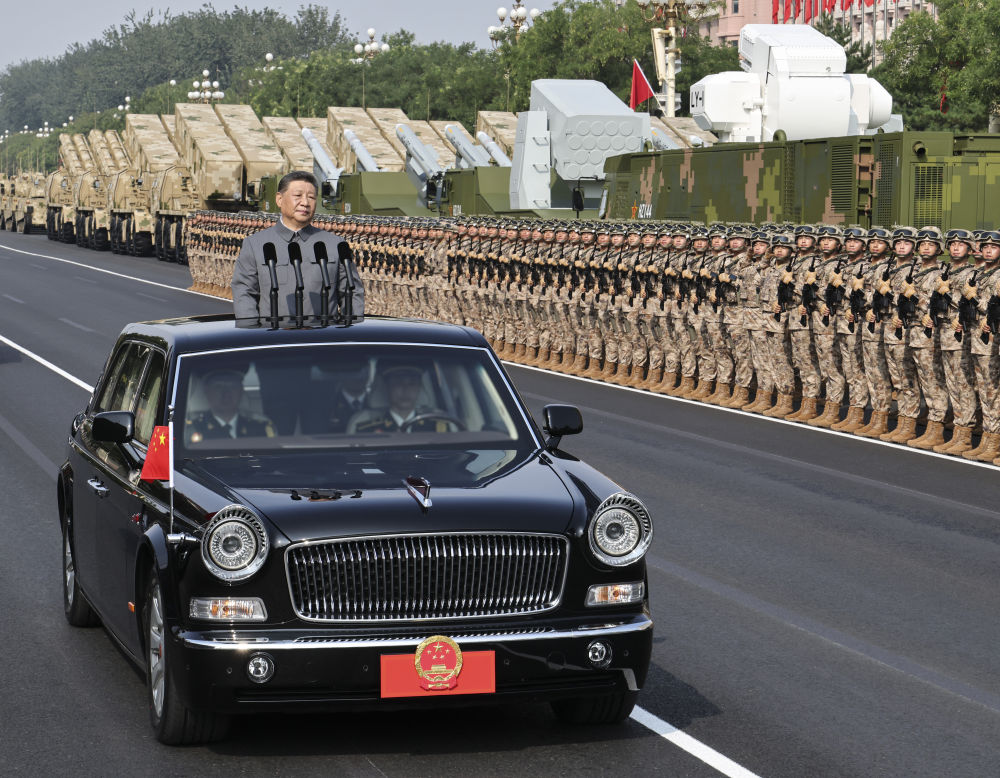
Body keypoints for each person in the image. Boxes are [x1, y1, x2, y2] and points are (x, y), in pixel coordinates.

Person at [231, 170, 365, 327]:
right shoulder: (256, 245)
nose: (305, 203)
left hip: (323, 338)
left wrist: (349, 332)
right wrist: (252, 334)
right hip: (273, 338)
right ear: (279, 199)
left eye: (311, 197)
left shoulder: (335, 245)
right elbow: (245, 293)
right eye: (298, 196)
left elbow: (352, 293)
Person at [349, 360, 454, 434]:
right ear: (387, 387)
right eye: (398, 383)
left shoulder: (438, 428)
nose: (405, 389)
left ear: (419, 388)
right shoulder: (365, 430)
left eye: (412, 383)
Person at [185, 368, 275, 443]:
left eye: (233, 386)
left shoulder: (261, 429)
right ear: (207, 391)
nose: (226, 393)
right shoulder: (190, 431)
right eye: (218, 386)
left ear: (241, 391)